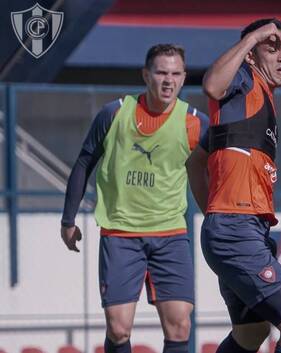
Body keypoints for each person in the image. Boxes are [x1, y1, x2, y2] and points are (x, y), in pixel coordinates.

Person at [60, 44, 208, 353]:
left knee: (180, 323)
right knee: (118, 328)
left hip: (170, 234)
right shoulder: (114, 113)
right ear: (145, 75)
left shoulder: (196, 123)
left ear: (183, 77)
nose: (168, 80)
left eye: (176, 73)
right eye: (161, 72)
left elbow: (223, 168)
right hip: (120, 234)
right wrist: (68, 220)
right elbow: (84, 161)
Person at [192, 18, 281, 353]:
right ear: (250, 54)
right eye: (272, 48)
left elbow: (194, 163)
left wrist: (215, 216)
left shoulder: (256, 103)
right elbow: (212, 86)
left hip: (240, 228)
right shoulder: (243, 82)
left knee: (253, 332)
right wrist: (254, 37)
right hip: (236, 230)